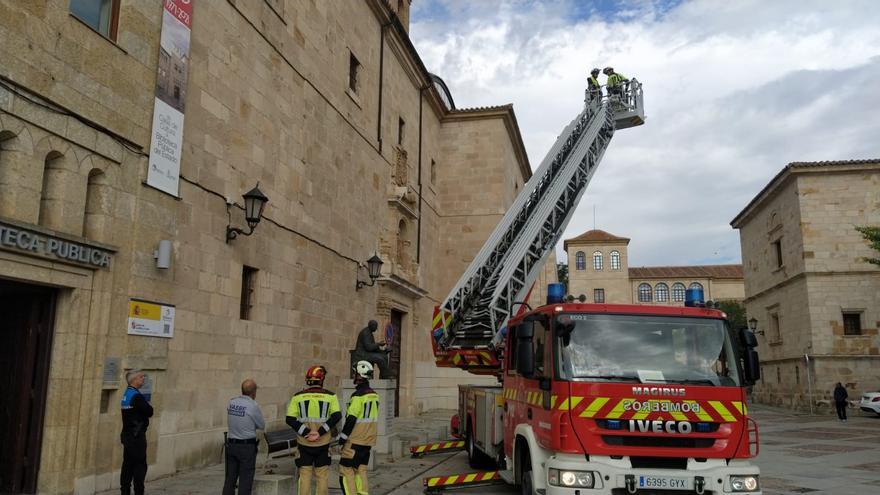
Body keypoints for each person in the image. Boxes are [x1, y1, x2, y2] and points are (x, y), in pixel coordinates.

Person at [286, 365, 342, 495]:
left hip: (304, 443)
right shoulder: (330, 396)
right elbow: (336, 416)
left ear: (307, 380)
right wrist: (319, 432)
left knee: (305, 475)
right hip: (322, 443)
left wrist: (306, 433)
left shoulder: (298, 397)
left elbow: (290, 419)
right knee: (322, 475)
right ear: (322, 380)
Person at [339, 361, 380, 495]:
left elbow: (351, 419)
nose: (354, 376)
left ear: (360, 376)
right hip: (368, 440)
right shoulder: (374, 395)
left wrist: (342, 438)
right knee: (361, 470)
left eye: (355, 373)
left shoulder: (357, 396)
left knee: (345, 471)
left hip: (355, 440)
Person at [223, 378, 265, 495]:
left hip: (231, 445)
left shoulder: (232, 402)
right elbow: (261, 425)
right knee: (245, 480)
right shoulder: (253, 406)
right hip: (246, 447)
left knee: (230, 479)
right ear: (254, 392)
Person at [120, 370, 154, 495]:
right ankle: (139, 492)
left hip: (127, 435)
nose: (143, 379)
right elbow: (150, 411)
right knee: (139, 466)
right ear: (134, 379)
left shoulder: (127, 393)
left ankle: (125, 491)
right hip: (136, 436)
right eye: (141, 377)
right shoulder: (137, 396)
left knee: (127, 466)